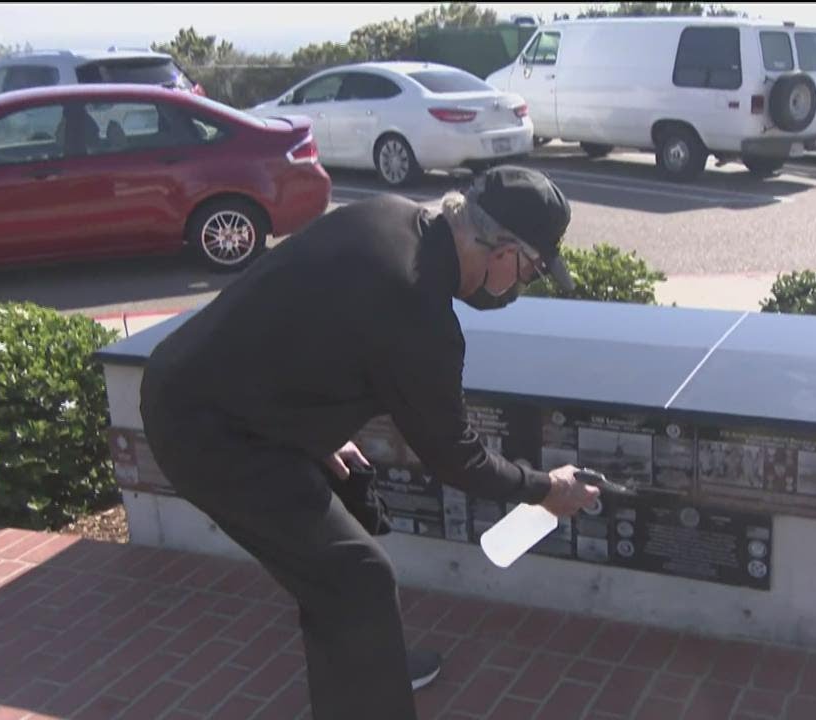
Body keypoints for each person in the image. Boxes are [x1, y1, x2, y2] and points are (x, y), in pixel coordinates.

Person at [138, 165, 602, 720]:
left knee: (342, 582)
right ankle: (368, 691)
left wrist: (307, 429)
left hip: (199, 386)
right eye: (528, 272)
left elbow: (294, 313)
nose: (518, 287)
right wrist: (544, 487)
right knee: (358, 576)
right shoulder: (418, 311)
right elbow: (458, 458)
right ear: (502, 248)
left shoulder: (387, 214)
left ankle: (365, 670)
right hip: (209, 432)